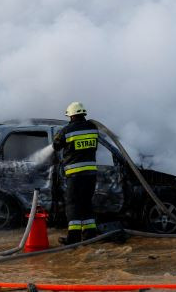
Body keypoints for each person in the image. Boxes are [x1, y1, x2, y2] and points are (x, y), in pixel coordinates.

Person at [52, 101, 99, 244]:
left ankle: (73, 238)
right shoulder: (93, 127)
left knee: (73, 204)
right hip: (91, 174)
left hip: (75, 175)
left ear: (71, 116)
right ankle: (90, 234)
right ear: (83, 113)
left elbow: (56, 145)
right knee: (86, 203)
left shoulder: (67, 130)